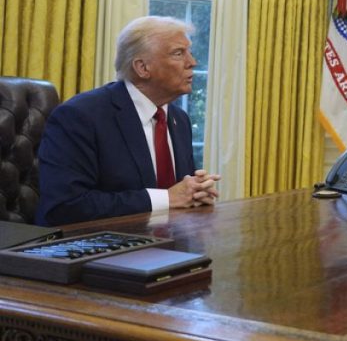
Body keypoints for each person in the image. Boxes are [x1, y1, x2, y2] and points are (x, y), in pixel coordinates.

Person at [37, 16, 220, 226]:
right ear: (142, 68)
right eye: (178, 53)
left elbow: (178, 195)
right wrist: (167, 198)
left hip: (167, 246)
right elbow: (65, 206)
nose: (192, 62)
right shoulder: (79, 116)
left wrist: (195, 193)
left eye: (189, 52)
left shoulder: (179, 119)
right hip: (98, 249)